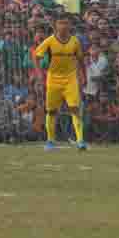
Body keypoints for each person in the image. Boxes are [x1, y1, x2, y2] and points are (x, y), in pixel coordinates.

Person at [34, 12, 87, 151]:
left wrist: (84, 75)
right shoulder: (50, 41)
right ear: (55, 25)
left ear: (70, 25)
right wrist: (39, 73)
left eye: (66, 23)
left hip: (70, 79)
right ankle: (50, 141)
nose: (63, 26)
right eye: (61, 23)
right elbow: (36, 55)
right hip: (53, 79)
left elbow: (81, 59)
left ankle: (80, 140)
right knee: (51, 111)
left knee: (75, 109)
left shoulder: (75, 41)